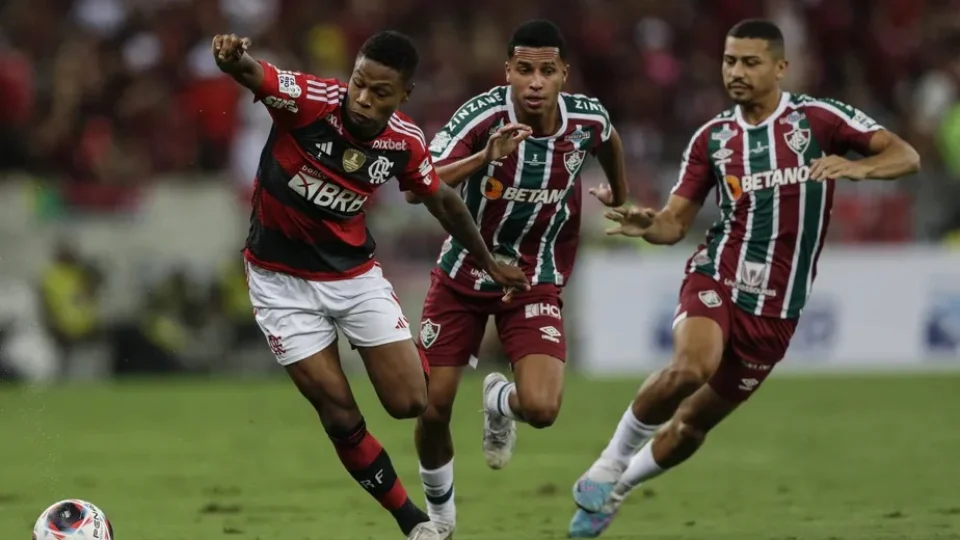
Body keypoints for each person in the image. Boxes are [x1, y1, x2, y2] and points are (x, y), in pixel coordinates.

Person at [568, 19, 920, 538]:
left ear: (780, 67)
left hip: (777, 309)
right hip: (719, 276)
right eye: (730, 60)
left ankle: (617, 491)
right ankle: (608, 464)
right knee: (691, 367)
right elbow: (674, 224)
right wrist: (650, 224)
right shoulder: (712, 138)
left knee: (692, 426)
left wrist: (858, 169)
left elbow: (905, 155)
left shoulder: (818, 120)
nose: (736, 71)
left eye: (750, 62)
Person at [211, 30, 530, 540]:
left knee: (411, 402)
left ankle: (462, 387)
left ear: (404, 94)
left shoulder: (404, 141)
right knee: (339, 414)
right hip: (280, 284)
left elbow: (441, 200)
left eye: (380, 92)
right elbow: (253, 72)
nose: (362, 98)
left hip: (353, 277)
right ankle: (414, 524)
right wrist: (232, 59)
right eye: (358, 83)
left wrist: (488, 262)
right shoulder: (308, 101)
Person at [404, 20, 629, 539]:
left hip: (533, 279)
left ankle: (499, 401)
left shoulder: (586, 120)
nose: (535, 82)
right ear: (507, 71)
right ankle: (441, 522)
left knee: (543, 409)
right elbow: (418, 186)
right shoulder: (481, 117)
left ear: (564, 73)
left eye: (547, 71)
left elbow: (610, 139)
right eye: (524, 69)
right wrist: (484, 157)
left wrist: (620, 194)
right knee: (432, 409)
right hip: (464, 274)